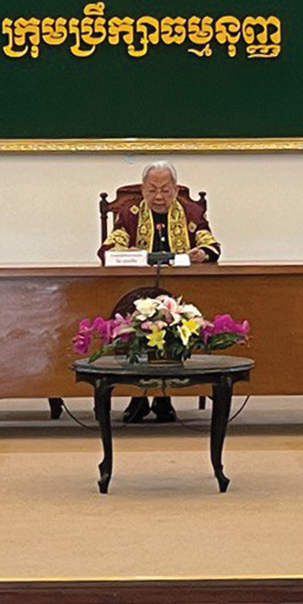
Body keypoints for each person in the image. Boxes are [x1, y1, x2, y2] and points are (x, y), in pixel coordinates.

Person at [100, 162, 220, 423]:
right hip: (135, 292)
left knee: (175, 320)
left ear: (176, 190)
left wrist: (201, 253)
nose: (158, 197)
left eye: (165, 190)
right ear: (142, 190)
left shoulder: (191, 211)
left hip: (179, 293)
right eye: (152, 190)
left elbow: (211, 244)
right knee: (138, 323)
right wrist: (126, 253)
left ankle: (164, 398)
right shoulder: (129, 213)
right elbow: (110, 246)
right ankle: (139, 397)